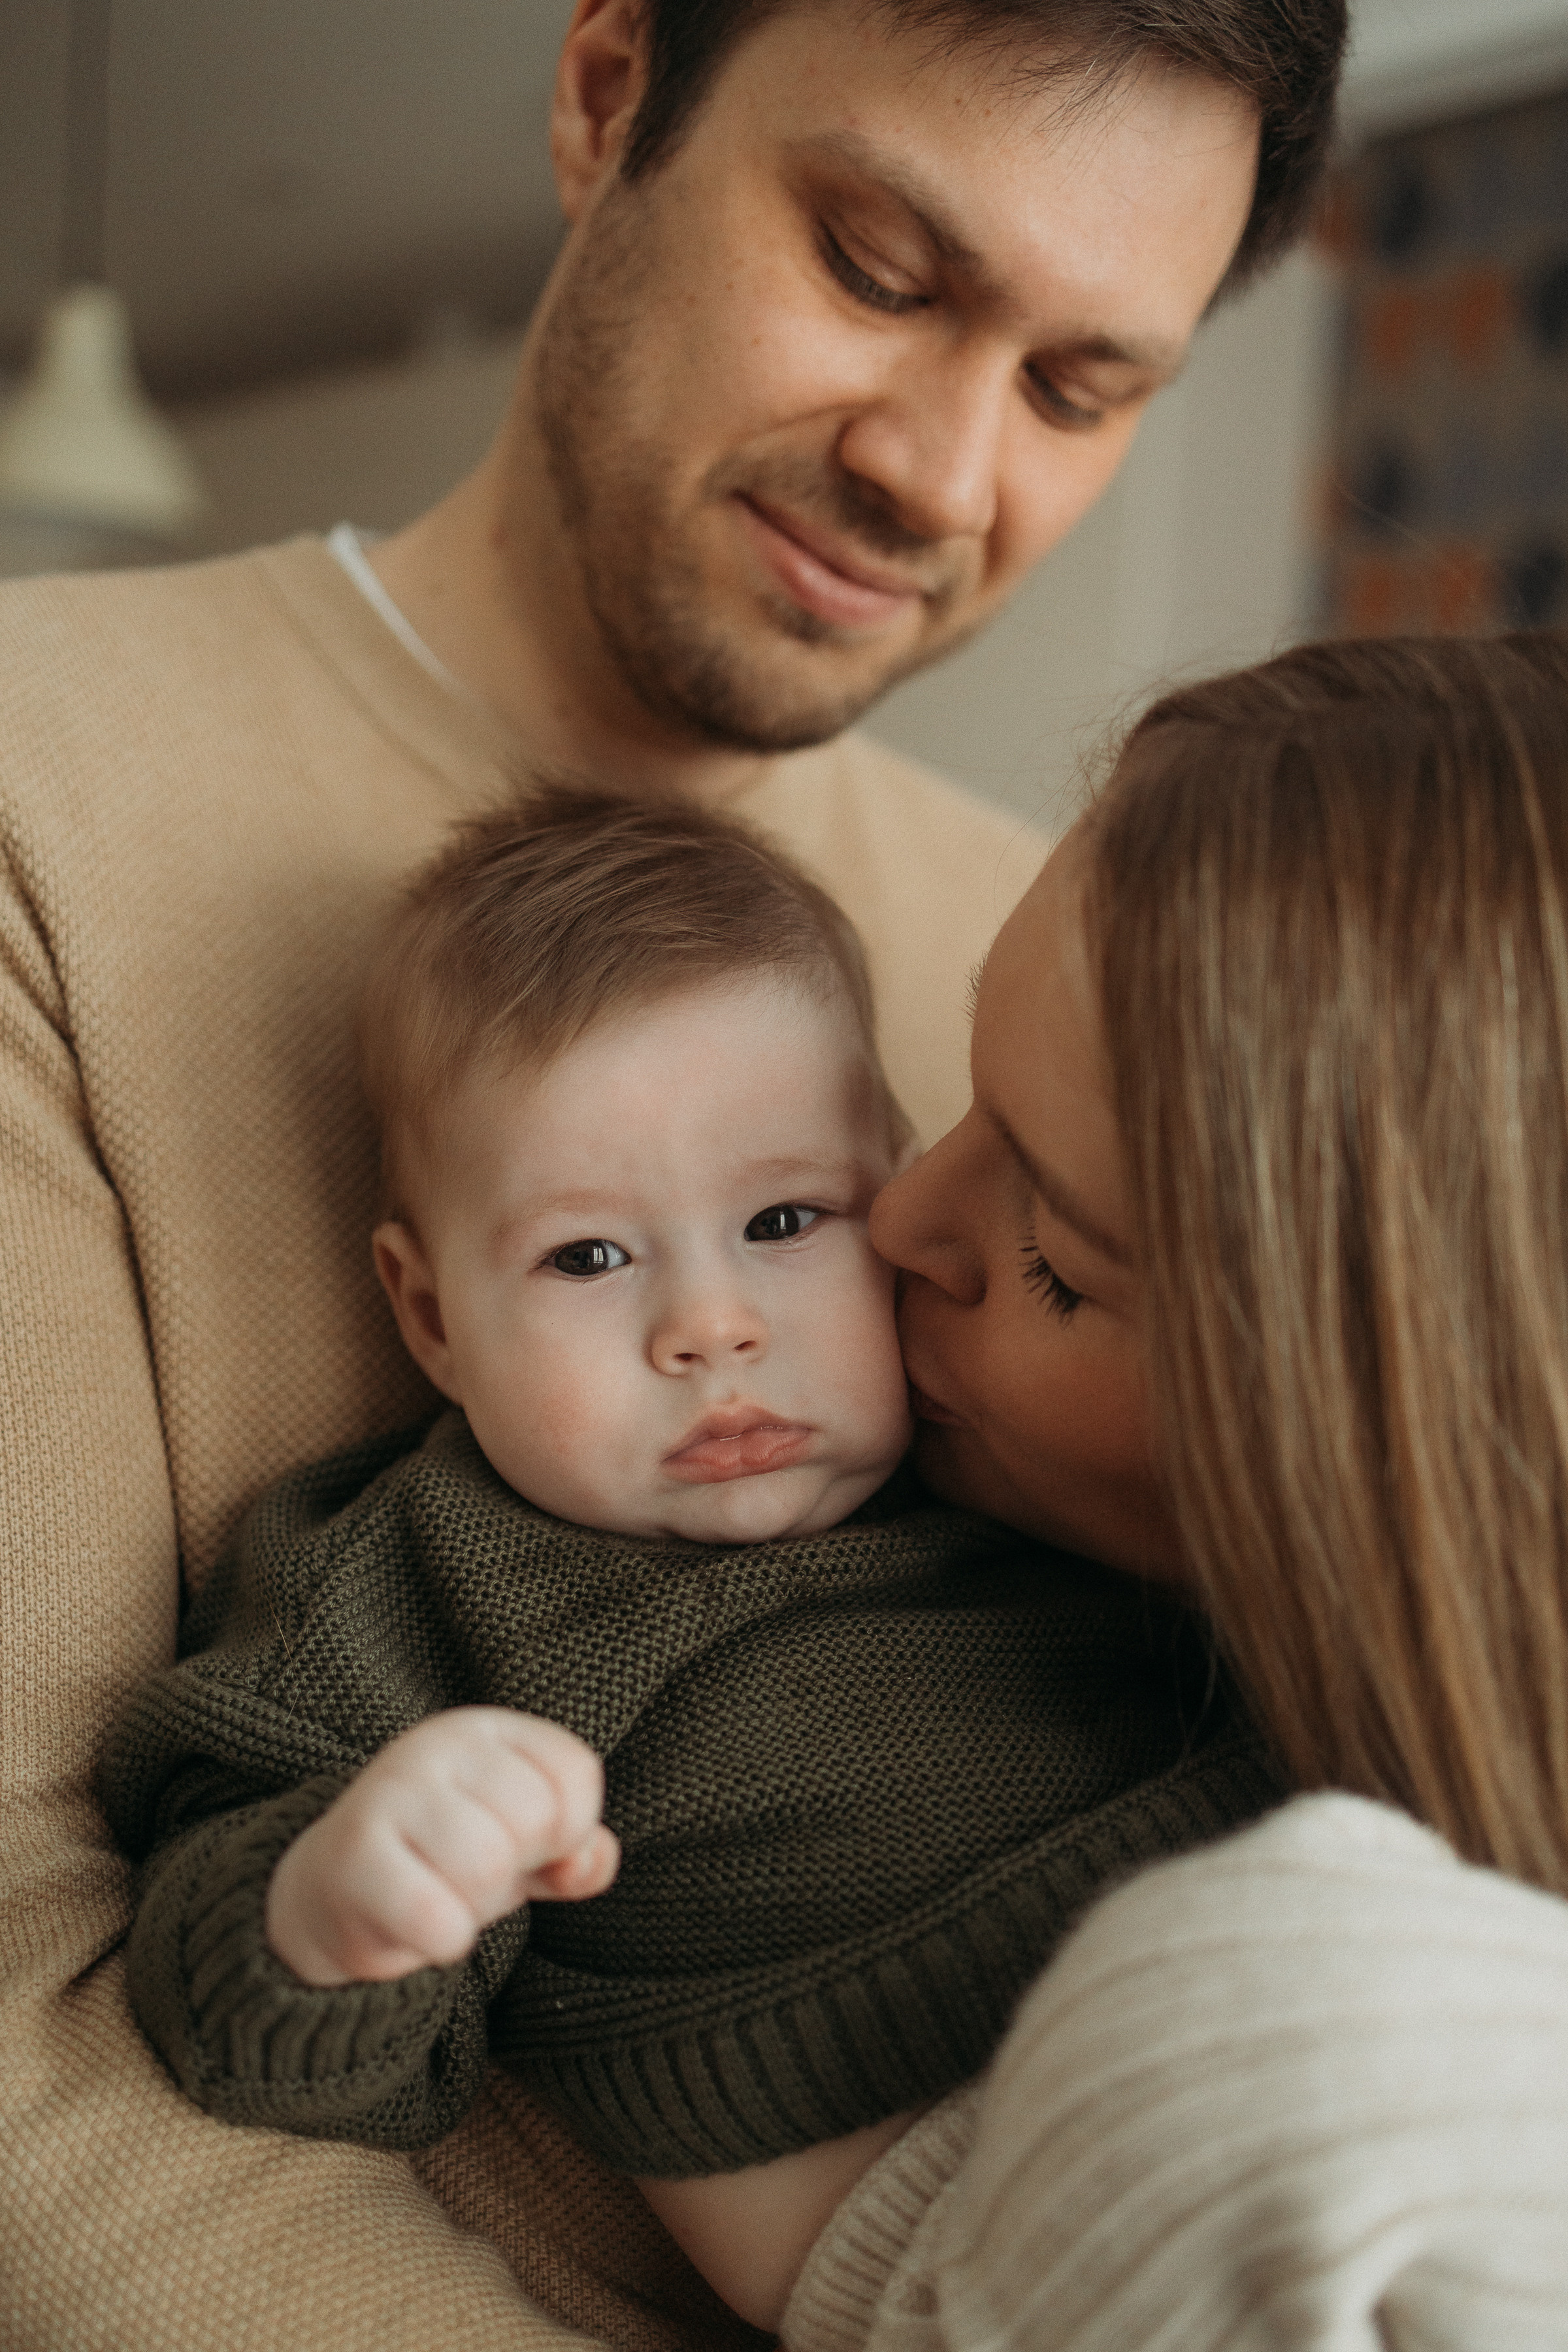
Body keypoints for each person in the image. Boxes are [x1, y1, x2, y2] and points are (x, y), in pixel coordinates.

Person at [0, 3, 1345, 2347]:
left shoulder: (1067, 971)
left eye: (1079, 389)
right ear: (609, 93)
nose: (941, 469)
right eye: (880, 266)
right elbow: (34, 2016)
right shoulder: (43, 802)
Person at [104, 787, 1274, 2334]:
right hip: (962, 2194)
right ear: (432, 1315)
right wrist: (332, 1903)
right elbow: (215, 1968)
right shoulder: (416, 1572)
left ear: (899, 1192)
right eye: (590, 1257)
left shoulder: (996, 1439)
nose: (709, 1327)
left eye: (787, 1218)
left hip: (1260, 1969)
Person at [778, 632, 1568, 2349]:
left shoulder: (1293, 2049)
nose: (901, 1220)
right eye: (956, 1097)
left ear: (1399, 1431)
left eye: (1058, 1260)